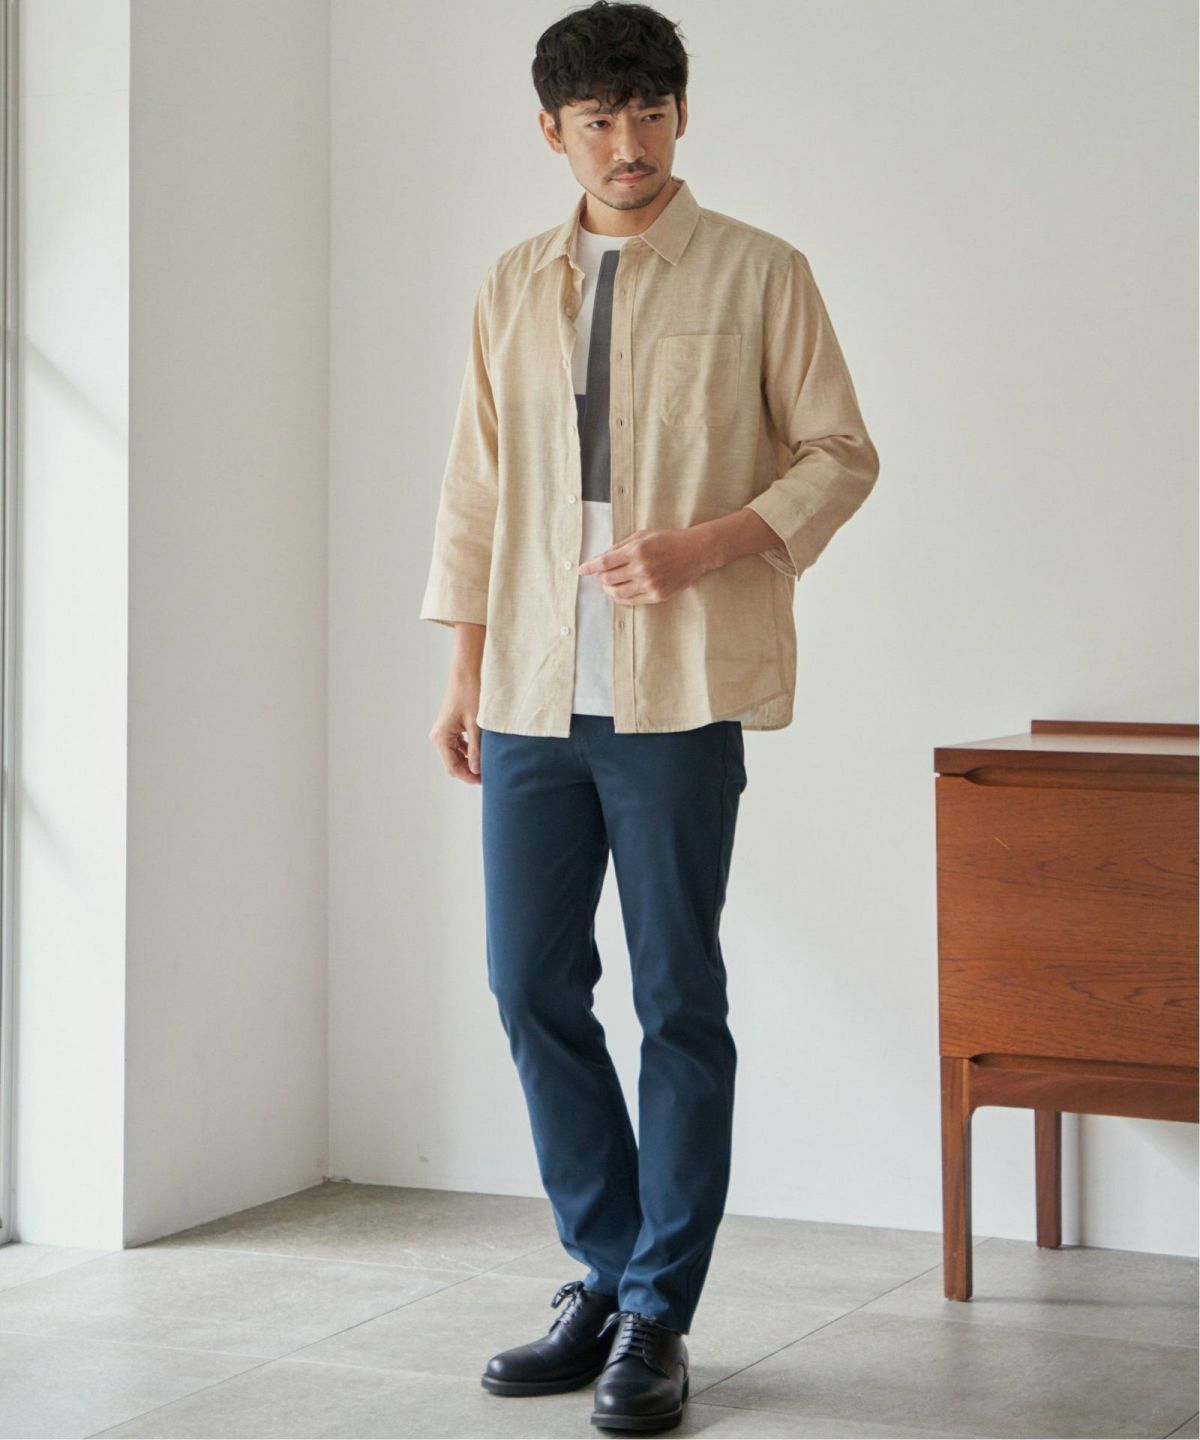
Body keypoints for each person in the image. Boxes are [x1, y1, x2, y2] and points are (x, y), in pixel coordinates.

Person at [418, 2, 880, 1430]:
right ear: (553, 131)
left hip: (678, 697)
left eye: (651, 112)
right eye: (599, 119)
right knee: (529, 986)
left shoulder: (761, 271)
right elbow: (477, 492)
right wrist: (464, 674)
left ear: (683, 115)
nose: (629, 142)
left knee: (679, 999)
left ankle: (659, 1312)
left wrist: (709, 545)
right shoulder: (512, 284)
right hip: (531, 690)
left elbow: (840, 453)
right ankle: (609, 1273)